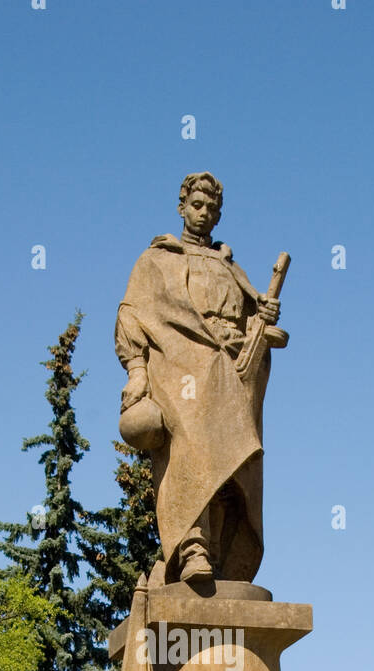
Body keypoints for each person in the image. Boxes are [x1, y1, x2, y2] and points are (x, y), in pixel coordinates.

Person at [115, 171, 287, 585]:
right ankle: (193, 546)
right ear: (181, 207)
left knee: (234, 466)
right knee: (192, 450)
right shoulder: (157, 260)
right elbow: (131, 315)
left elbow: (252, 325)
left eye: (212, 208)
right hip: (181, 366)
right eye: (197, 205)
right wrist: (137, 371)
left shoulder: (232, 268)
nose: (204, 213)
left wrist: (262, 322)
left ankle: (227, 556)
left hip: (234, 372)